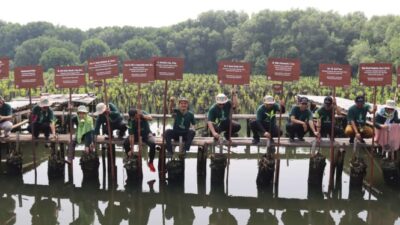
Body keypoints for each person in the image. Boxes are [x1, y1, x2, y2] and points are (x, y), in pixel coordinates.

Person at [123, 108, 156, 172]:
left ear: (136, 114)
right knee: (125, 143)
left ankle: (151, 162)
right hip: (135, 135)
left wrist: (143, 116)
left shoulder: (142, 113)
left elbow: (150, 118)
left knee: (153, 144)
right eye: (132, 118)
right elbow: (131, 135)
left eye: (135, 117)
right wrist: (131, 150)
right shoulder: (130, 121)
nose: (134, 119)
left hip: (146, 134)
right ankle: (129, 156)